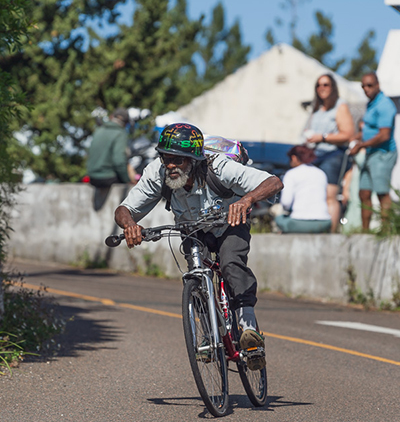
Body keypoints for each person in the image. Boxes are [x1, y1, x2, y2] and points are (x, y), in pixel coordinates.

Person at [114, 123, 283, 370]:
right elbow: (124, 209)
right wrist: (129, 224)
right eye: (165, 158)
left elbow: (274, 182)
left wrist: (246, 200)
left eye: (178, 160)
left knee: (230, 263)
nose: (170, 165)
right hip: (193, 230)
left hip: (230, 224)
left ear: (193, 160)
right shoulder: (157, 173)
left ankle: (249, 332)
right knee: (195, 274)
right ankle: (208, 334)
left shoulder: (219, 167)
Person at [303, 73, 355, 232]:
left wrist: (323, 138)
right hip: (316, 155)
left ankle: (331, 233)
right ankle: (317, 230)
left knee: (329, 196)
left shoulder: (340, 106)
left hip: (333, 155)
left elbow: (348, 134)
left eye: (326, 85)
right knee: (314, 195)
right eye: (319, 85)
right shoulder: (318, 108)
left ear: (333, 87)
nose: (322, 88)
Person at [350, 72, 397, 231]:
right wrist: (356, 139)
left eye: (370, 85)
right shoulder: (371, 103)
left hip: (382, 154)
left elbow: (384, 135)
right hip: (370, 154)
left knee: (382, 192)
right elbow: (369, 129)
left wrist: (361, 145)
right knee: (363, 192)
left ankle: (385, 230)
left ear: (378, 85)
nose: (366, 89)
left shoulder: (384, 105)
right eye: (363, 86)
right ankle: (365, 231)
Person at [86, 107, 137, 210]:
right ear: (125, 123)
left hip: (92, 177)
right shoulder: (120, 133)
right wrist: (126, 180)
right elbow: (119, 161)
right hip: (106, 178)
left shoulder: (99, 130)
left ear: (111, 117)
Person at [274, 145, 331, 234]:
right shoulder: (321, 173)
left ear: (294, 158)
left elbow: (286, 203)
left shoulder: (291, 174)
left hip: (299, 222)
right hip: (324, 222)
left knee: (278, 217)